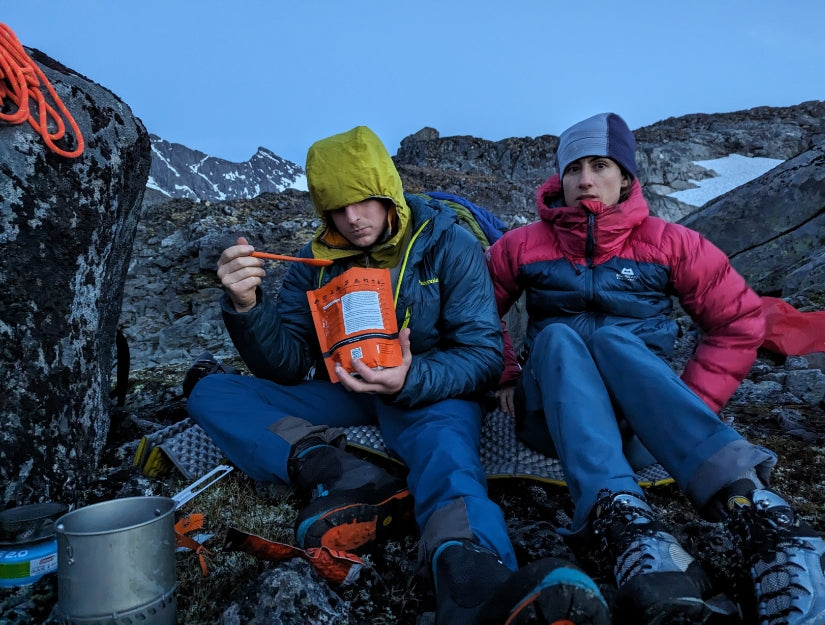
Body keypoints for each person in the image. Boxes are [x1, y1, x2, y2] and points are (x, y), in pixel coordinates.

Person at [187, 126, 610, 625]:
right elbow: (287, 364)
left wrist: (410, 379)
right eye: (337, 207)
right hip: (345, 391)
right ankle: (337, 472)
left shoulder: (445, 241)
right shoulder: (313, 261)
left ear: (388, 191)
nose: (352, 218)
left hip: (430, 392)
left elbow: (482, 354)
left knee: (448, 463)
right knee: (211, 390)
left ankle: (474, 582)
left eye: (364, 200)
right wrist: (246, 306)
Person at [485, 112, 825, 625]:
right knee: (559, 336)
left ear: (625, 177)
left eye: (600, 166)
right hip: (552, 421)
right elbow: (473, 313)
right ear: (560, 179)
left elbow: (738, 320)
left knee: (616, 341)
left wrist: (695, 400)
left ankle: (756, 512)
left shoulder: (670, 242)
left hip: (645, 424)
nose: (585, 180)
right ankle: (624, 520)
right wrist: (508, 373)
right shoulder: (521, 246)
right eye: (574, 168)